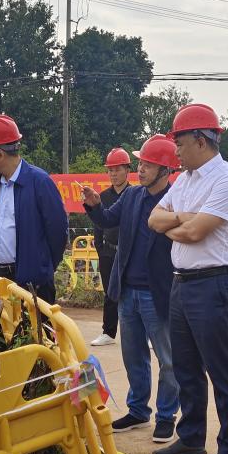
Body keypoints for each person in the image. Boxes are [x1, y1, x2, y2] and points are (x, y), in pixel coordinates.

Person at [147, 104, 228, 454]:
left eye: (180, 142)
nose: (175, 150)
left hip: (214, 284)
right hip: (182, 283)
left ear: (201, 141)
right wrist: (182, 218)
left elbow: (193, 232)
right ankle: (191, 436)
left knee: (222, 370)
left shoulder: (227, 181)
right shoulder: (186, 180)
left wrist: (178, 225)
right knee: (186, 367)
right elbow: (153, 219)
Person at [82, 135, 181, 443]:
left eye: (147, 165)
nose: (140, 169)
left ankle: (166, 415)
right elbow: (107, 219)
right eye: (140, 163)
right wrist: (95, 205)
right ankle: (138, 410)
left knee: (168, 358)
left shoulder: (176, 199)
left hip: (157, 292)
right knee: (133, 355)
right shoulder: (132, 196)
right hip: (128, 291)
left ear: (165, 170)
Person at [0, 113, 68, 306]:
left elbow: (59, 231)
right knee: (0, 326)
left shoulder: (39, 182)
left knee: (32, 327)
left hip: (32, 284)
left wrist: (42, 267)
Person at [89, 148, 132, 347]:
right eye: (110, 170)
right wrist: (101, 250)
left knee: (134, 292)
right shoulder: (103, 196)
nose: (113, 174)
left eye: (117, 169)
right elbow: (98, 226)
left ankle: (146, 332)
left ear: (127, 170)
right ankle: (108, 332)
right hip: (108, 251)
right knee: (110, 293)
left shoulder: (134, 194)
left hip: (129, 253)